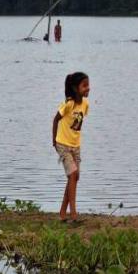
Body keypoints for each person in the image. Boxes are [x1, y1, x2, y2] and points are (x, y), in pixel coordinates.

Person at [52, 72, 90, 223]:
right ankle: (73, 214)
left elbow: (76, 126)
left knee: (74, 177)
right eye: (84, 85)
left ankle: (62, 213)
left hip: (76, 146)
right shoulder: (68, 104)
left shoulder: (85, 105)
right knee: (73, 175)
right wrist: (54, 141)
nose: (88, 88)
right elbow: (56, 120)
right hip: (63, 144)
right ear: (75, 88)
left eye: (88, 85)